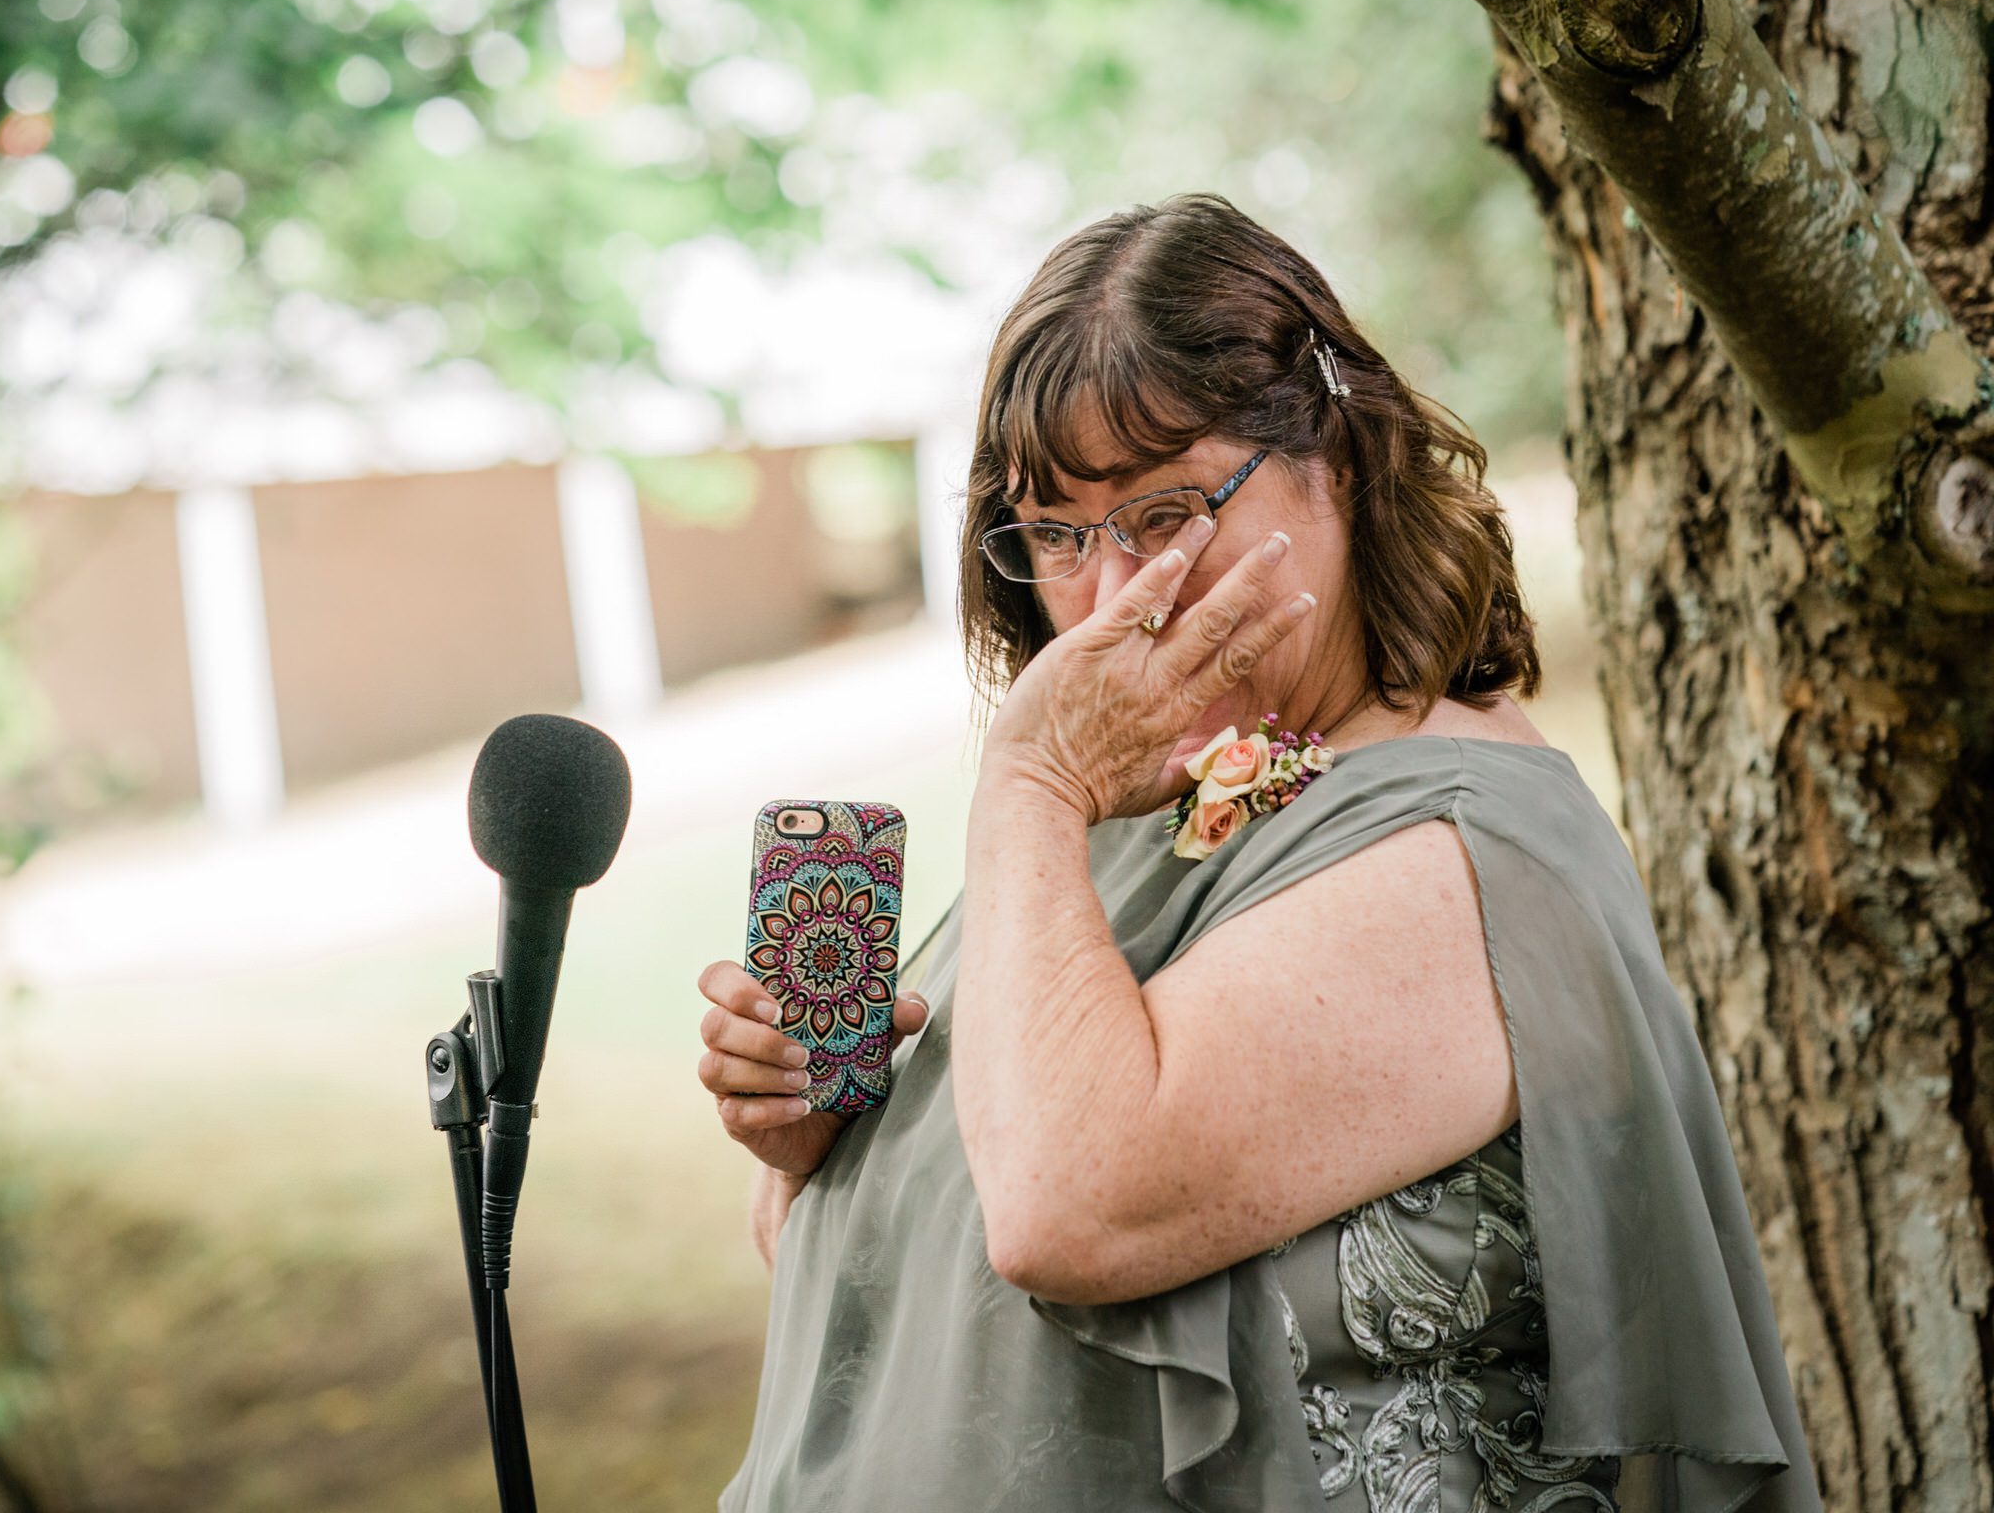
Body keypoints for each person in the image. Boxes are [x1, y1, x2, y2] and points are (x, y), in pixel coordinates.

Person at [693, 193, 1824, 1512]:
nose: (1110, 601)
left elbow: (1069, 1211)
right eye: (1056, 534)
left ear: (1336, 461)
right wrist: (810, 1155)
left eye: (1163, 513)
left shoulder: (1460, 843)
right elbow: (915, 1300)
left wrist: (1029, 781)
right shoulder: (1124, 822)